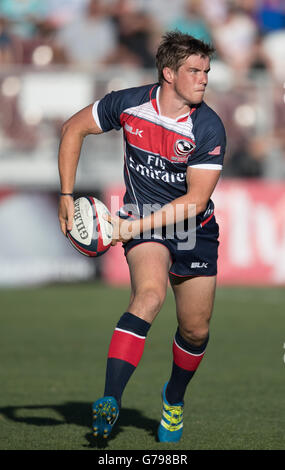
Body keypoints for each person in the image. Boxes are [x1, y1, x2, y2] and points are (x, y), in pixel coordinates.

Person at [58, 31, 226, 443]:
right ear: (168, 73)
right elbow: (73, 128)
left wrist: (127, 228)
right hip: (142, 216)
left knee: (195, 330)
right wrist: (66, 194)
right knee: (148, 296)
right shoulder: (129, 103)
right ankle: (111, 400)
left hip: (191, 226)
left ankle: (173, 398)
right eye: (194, 70)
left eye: (206, 70)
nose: (204, 78)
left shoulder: (208, 127)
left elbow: (194, 201)